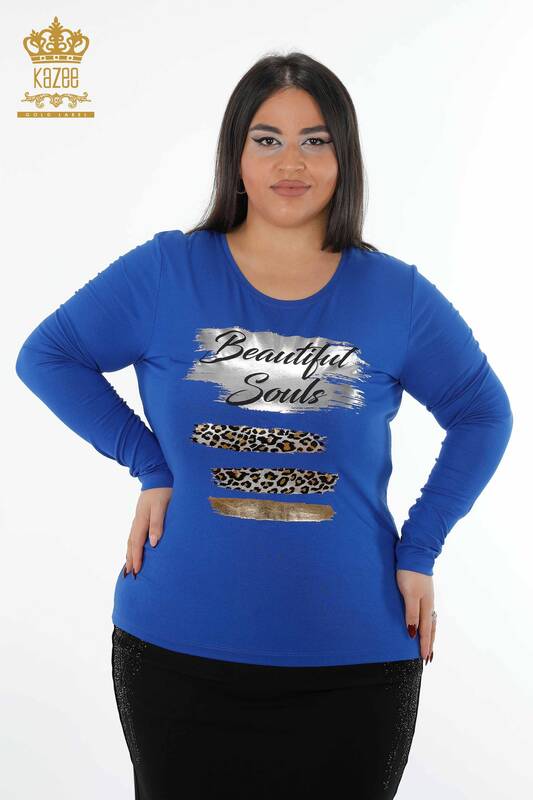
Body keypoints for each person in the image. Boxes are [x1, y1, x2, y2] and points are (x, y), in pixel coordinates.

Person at [15, 51, 513, 799]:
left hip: (354, 662)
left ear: (344, 156)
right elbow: (47, 356)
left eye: (315, 140)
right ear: (236, 154)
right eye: (267, 138)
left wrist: (421, 547)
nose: (291, 162)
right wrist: (148, 463)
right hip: (176, 655)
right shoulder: (167, 272)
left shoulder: (395, 296)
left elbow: (482, 413)